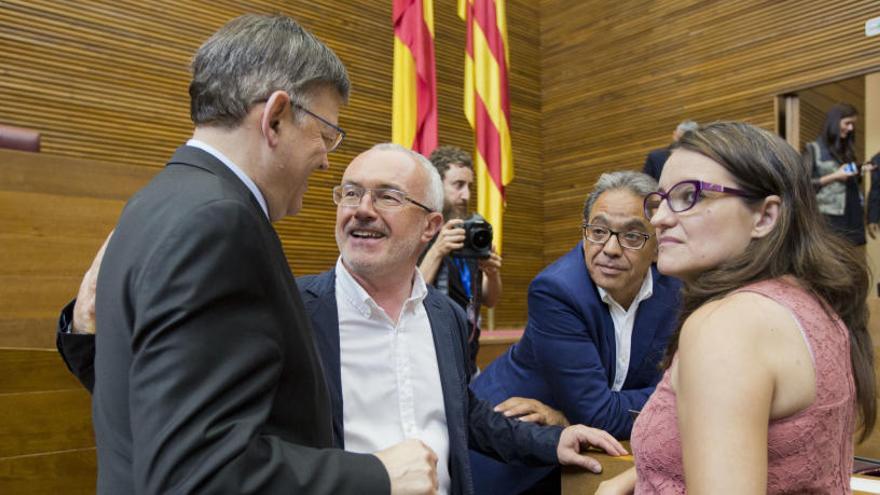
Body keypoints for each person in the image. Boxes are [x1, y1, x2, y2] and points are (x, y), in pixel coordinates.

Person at [58, 144, 629, 495]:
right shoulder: (284, 306)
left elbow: (462, 414)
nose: (360, 209)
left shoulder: (447, 317)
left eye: (385, 197)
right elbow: (173, 405)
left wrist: (548, 442)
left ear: (431, 227)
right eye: (349, 193)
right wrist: (87, 333)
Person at [79, 14, 436, 494]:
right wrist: (379, 474)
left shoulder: (161, 199)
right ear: (276, 117)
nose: (328, 158)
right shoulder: (219, 223)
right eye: (327, 133)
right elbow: (199, 475)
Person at [599, 122, 876, 494]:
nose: (660, 218)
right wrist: (638, 476)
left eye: (688, 196)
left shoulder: (726, 325)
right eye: (660, 199)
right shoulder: (810, 304)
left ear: (764, 216)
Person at [468, 171, 682, 494]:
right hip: (511, 458)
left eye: (633, 236)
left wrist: (567, 417)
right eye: (598, 231)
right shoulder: (556, 290)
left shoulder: (676, 290)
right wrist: (677, 397)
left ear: (656, 247)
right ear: (584, 235)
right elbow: (603, 413)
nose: (610, 248)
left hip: (584, 456)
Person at [418, 145, 503, 374]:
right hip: (431, 360)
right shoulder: (419, 233)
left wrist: (493, 274)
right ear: (437, 185)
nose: (466, 195)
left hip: (467, 357)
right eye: (458, 185)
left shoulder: (470, 232)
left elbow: (489, 299)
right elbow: (410, 295)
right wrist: (437, 250)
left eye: (469, 187)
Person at [803, 103, 873, 247]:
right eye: (847, 123)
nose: (851, 128)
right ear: (835, 122)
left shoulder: (846, 150)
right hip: (829, 218)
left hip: (852, 213)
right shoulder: (812, 149)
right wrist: (834, 176)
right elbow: (803, 185)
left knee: (848, 262)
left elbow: (848, 179)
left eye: (853, 124)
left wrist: (860, 169)